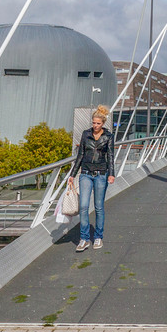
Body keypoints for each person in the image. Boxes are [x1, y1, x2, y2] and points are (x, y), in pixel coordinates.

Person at [68, 105, 115, 252]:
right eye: (93, 123)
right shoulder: (85, 134)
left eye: (98, 123)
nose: (95, 126)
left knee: (99, 207)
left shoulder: (108, 136)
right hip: (86, 173)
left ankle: (98, 237)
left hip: (101, 174)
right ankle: (84, 239)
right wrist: (72, 174)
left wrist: (112, 174)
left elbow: (110, 156)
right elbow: (80, 155)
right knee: (83, 206)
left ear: (103, 123)